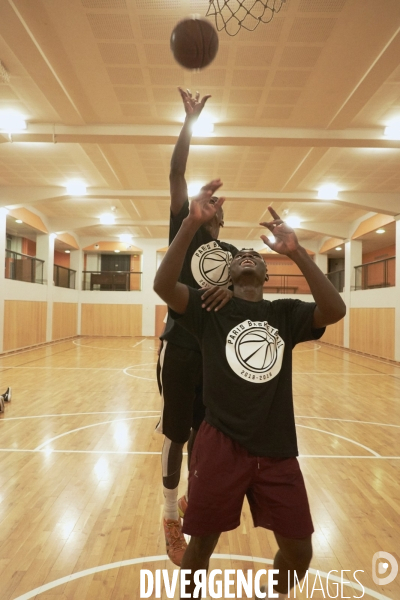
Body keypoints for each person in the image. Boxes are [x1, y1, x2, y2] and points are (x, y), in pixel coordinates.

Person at [153, 180, 346, 599]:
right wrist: (188, 223)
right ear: (230, 272)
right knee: (201, 544)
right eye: (239, 255)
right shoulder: (209, 309)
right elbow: (164, 287)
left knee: (299, 552)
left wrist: (298, 252)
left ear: (265, 272)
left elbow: (335, 309)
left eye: (254, 256)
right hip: (221, 444)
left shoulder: (285, 314)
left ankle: (269, 594)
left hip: (277, 448)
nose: (246, 256)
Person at [156, 89, 238, 566]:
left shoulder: (228, 256)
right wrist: (189, 122)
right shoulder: (181, 232)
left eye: (218, 206)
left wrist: (233, 294)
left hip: (215, 357)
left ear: (223, 218)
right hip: (181, 350)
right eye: (206, 203)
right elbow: (176, 173)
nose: (213, 208)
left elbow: (242, 306)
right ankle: (169, 512)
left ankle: (190, 500)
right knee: (176, 434)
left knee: (206, 438)